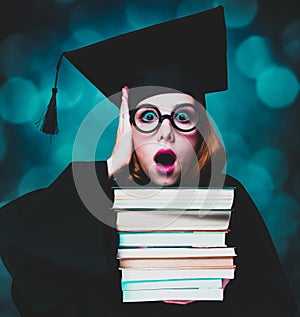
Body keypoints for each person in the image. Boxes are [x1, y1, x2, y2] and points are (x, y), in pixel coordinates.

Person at [0, 6, 297, 317]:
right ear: (128, 128)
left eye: (183, 117)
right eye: (148, 117)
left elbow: (272, 303)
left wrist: (224, 282)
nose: (166, 132)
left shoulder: (228, 199)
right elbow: (20, 245)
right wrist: (111, 165)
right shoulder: (100, 199)